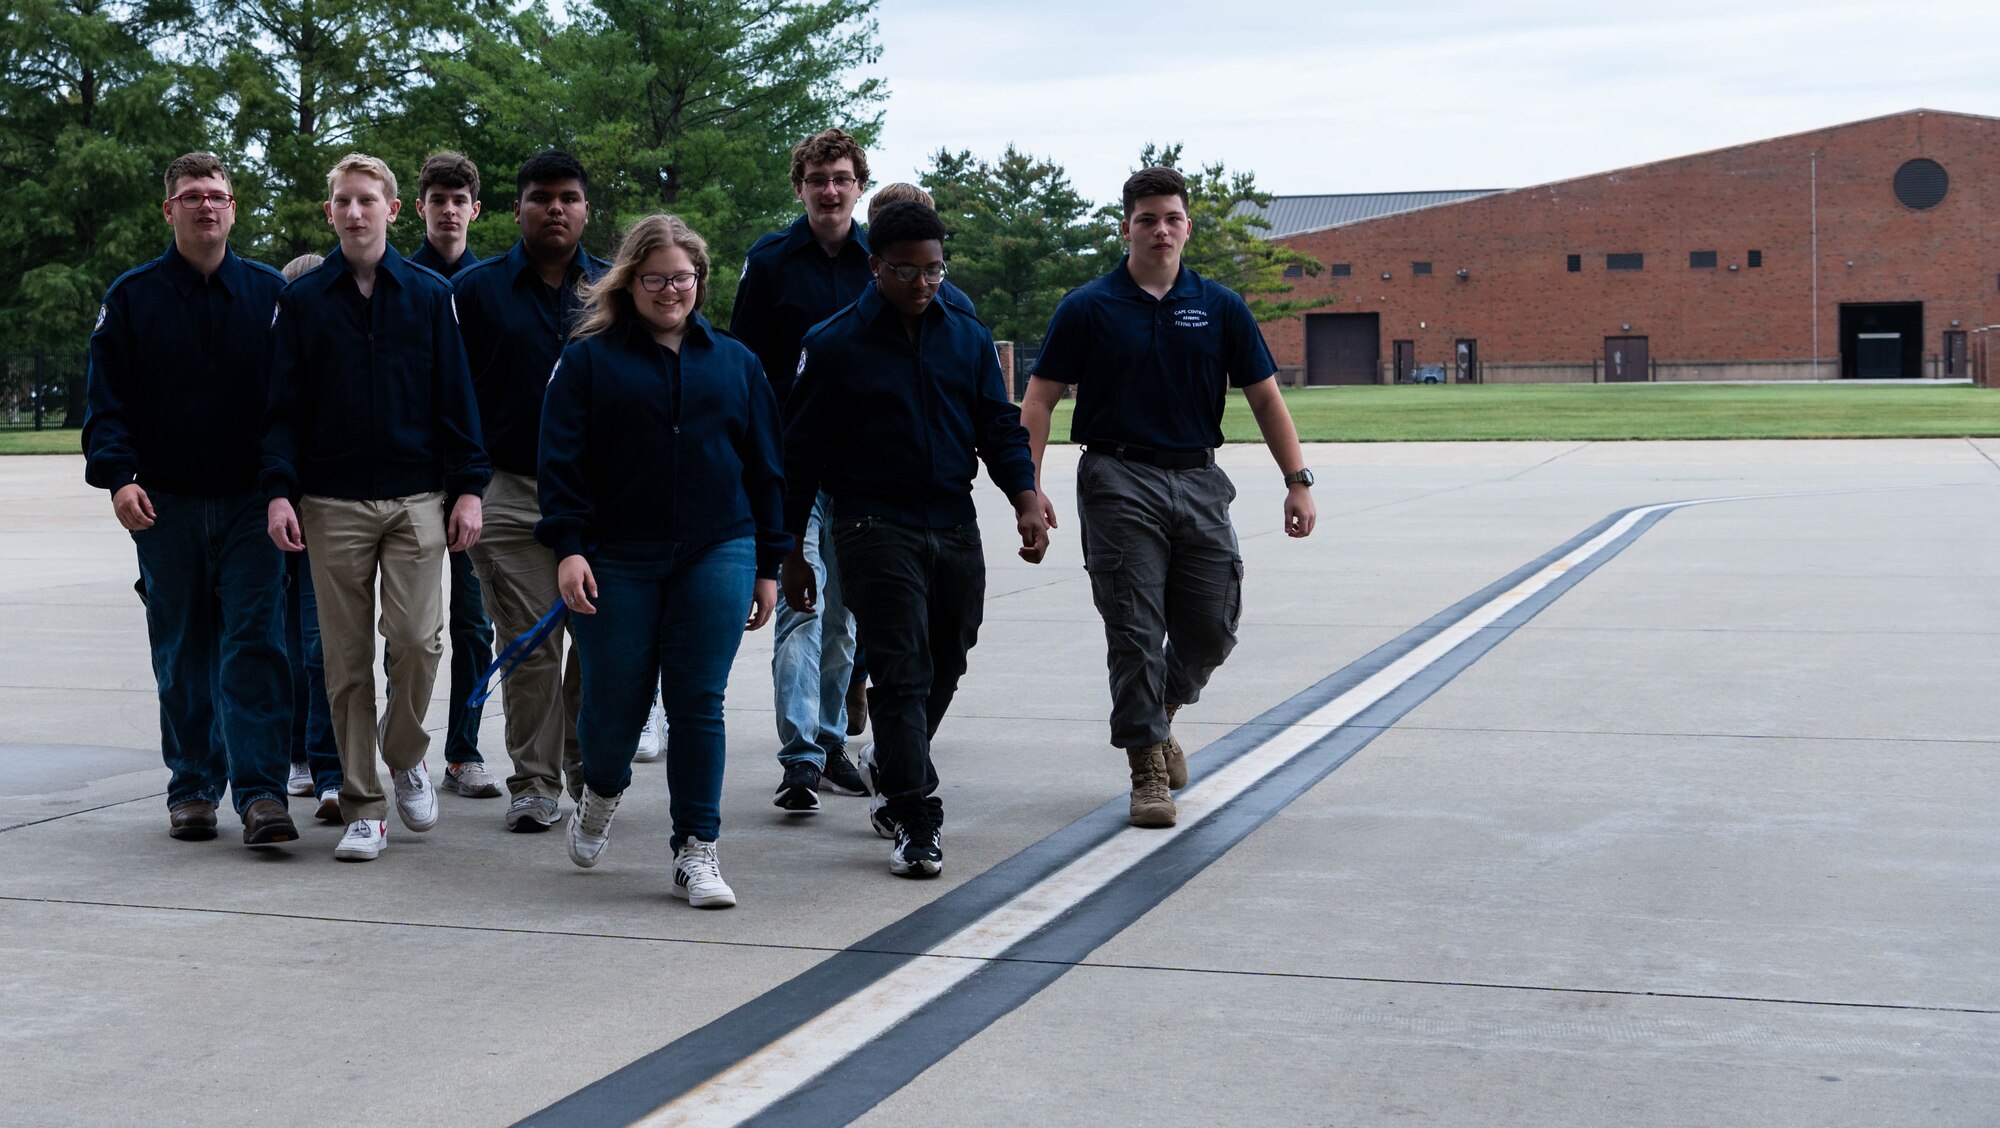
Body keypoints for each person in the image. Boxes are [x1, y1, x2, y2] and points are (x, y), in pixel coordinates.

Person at [1020, 166, 1317, 829]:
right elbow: (1038, 399)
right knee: (1133, 627)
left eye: (1172, 218)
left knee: (1211, 628)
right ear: (1126, 227)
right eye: (1147, 218)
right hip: (1117, 477)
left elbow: (1265, 395)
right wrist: (1028, 488)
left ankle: (1159, 715)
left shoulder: (1219, 307)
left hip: (1198, 477)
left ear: (1187, 227)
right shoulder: (1088, 307)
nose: (1160, 229)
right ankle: (1147, 767)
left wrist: (1297, 480)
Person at [782, 202, 1048, 877]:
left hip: (951, 519)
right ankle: (915, 815)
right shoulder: (835, 342)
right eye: (908, 270)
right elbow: (801, 455)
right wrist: (786, 549)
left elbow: (998, 425)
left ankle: (896, 764)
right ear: (875, 267)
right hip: (871, 522)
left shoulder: (965, 335)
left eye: (935, 269)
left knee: (950, 655)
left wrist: (1025, 500)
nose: (925, 282)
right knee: (900, 670)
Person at [539, 213, 787, 907]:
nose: (670, 290)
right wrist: (569, 550)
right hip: (615, 556)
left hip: (718, 548)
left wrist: (769, 563)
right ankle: (602, 789)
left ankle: (696, 850)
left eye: (682, 277)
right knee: (613, 707)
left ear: (700, 281)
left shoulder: (737, 362)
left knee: (698, 702)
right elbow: (560, 466)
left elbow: (768, 469)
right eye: (655, 278)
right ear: (630, 282)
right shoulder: (588, 360)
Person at [263, 152, 490, 862]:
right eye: (342, 201)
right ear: (328, 212)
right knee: (346, 660)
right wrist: (278, 491)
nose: (354, 212)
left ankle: (405, 754)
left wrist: (470, 489)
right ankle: (365, 805)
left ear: (393, 210)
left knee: (420, 642)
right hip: (329, 503)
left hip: (418, 498)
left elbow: (457, 399)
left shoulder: (426, 295)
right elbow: (281, 411)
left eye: (367, 200)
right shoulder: (301, 303)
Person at [82, 152, 297, 847]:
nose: (206, 206)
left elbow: (290, 406)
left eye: (217, 195)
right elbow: (105, 406)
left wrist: (283, 487)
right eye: (191, 196)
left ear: (234, 207)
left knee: (256, 646)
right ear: (168, 209)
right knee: (182, 649)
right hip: (165, 506)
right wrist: (119, 478)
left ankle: (262, 794)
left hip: (251, 506)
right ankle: (194, 788)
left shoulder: (271, 296)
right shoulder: (133, 298)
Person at [452, 150, 608, 831]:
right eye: (541, 197)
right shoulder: (476, 292)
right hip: (507, 492)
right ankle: (536, 785)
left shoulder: (614, 288)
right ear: (516, 209)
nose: (555, 207)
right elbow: (451, 398)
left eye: (568, 197)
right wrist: (465, 487)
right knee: (530, 644)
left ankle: (586, 767)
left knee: (599, 643)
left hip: (600, 496)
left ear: (585, 209)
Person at [730, 128, 873, 812]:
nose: (830, 190)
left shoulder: (884, 259)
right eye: (818, 179)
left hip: (864, 465)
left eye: (842, 177)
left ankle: (830, 737)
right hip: (791, 464)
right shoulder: (770, 261)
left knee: (843, 617)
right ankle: (800, 759)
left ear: (859, 184)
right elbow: (746, 368)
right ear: (800, 186)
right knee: (800, 610)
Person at [398, 152, 500, 799]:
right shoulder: (397, 279)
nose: (449, 209)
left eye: (459, 198)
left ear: (475, 209)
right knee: (407, 630)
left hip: (470, 481)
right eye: (438, 198)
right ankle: (402, 749)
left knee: (472, 622)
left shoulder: (490, 287)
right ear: (421, 207)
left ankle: (463, 752)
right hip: (408, 477)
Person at [276, 252, 345, 823]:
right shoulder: (277, 355)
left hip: (321, 515)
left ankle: (325, 766)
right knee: (293, 648)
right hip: (276, 515)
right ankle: (302, 756)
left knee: (318, 648)